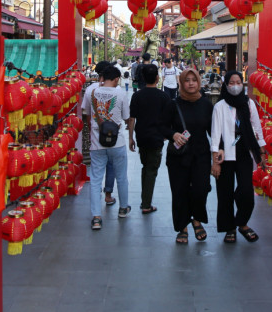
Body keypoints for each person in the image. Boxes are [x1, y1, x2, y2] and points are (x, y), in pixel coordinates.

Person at [210, 70, 266, 243]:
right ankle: (229, 228)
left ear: (243, 84)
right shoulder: (220, 106)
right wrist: (215, 161)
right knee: (224, 193)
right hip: (225, 153)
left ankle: (242, 222)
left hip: (244, 151)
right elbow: (215, 135)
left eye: (238, 82)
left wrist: (261, 151)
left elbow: (257, 127)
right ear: (226, 85)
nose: (235, 86)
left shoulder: (249, 103)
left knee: (246, 191)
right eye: (231, 83)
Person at [160, 68, 214, 244]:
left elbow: (214, 131)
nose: (191, 83)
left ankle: (197, 220)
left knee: (201, 189)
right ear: (181, 83)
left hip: (201, 154)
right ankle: (182, 226)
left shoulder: (206, 105)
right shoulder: (173, 104)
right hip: (179, 156)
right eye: (187, 80)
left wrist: (219, 151)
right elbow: (162, 127)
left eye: (194, 80)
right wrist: (173, 134)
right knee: (179, 191)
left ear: (199, 82)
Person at [86, 65, 131, 229]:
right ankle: (123, 208)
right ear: (117, 79)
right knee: (121, 177)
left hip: (97, 143)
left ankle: (96, 217)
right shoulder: (121, 94)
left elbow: (87, 114)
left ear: (103, 77)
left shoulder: (91, 92)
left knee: (95, 180)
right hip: (117, 143)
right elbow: (126, 117)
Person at [128, 64, 171, 214]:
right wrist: (166, 135)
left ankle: (145, 200)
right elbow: (168, 119)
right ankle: (146, 204)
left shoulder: (137, 96)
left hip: (141, 136)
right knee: (151, 169)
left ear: (143, 78)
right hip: (156, 137)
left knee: (146, 167)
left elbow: (132, 119)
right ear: (158, 78)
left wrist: (130, 138)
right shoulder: (164, 97)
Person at [81, 61, 117, 207]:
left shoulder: (90, 89)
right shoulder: (115, 89)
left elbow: (85, 113)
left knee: (96, 170)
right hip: (112, 135)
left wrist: (91, 128)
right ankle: (108, 195)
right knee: (110, 165)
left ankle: (96, 208)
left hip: (95, 134)